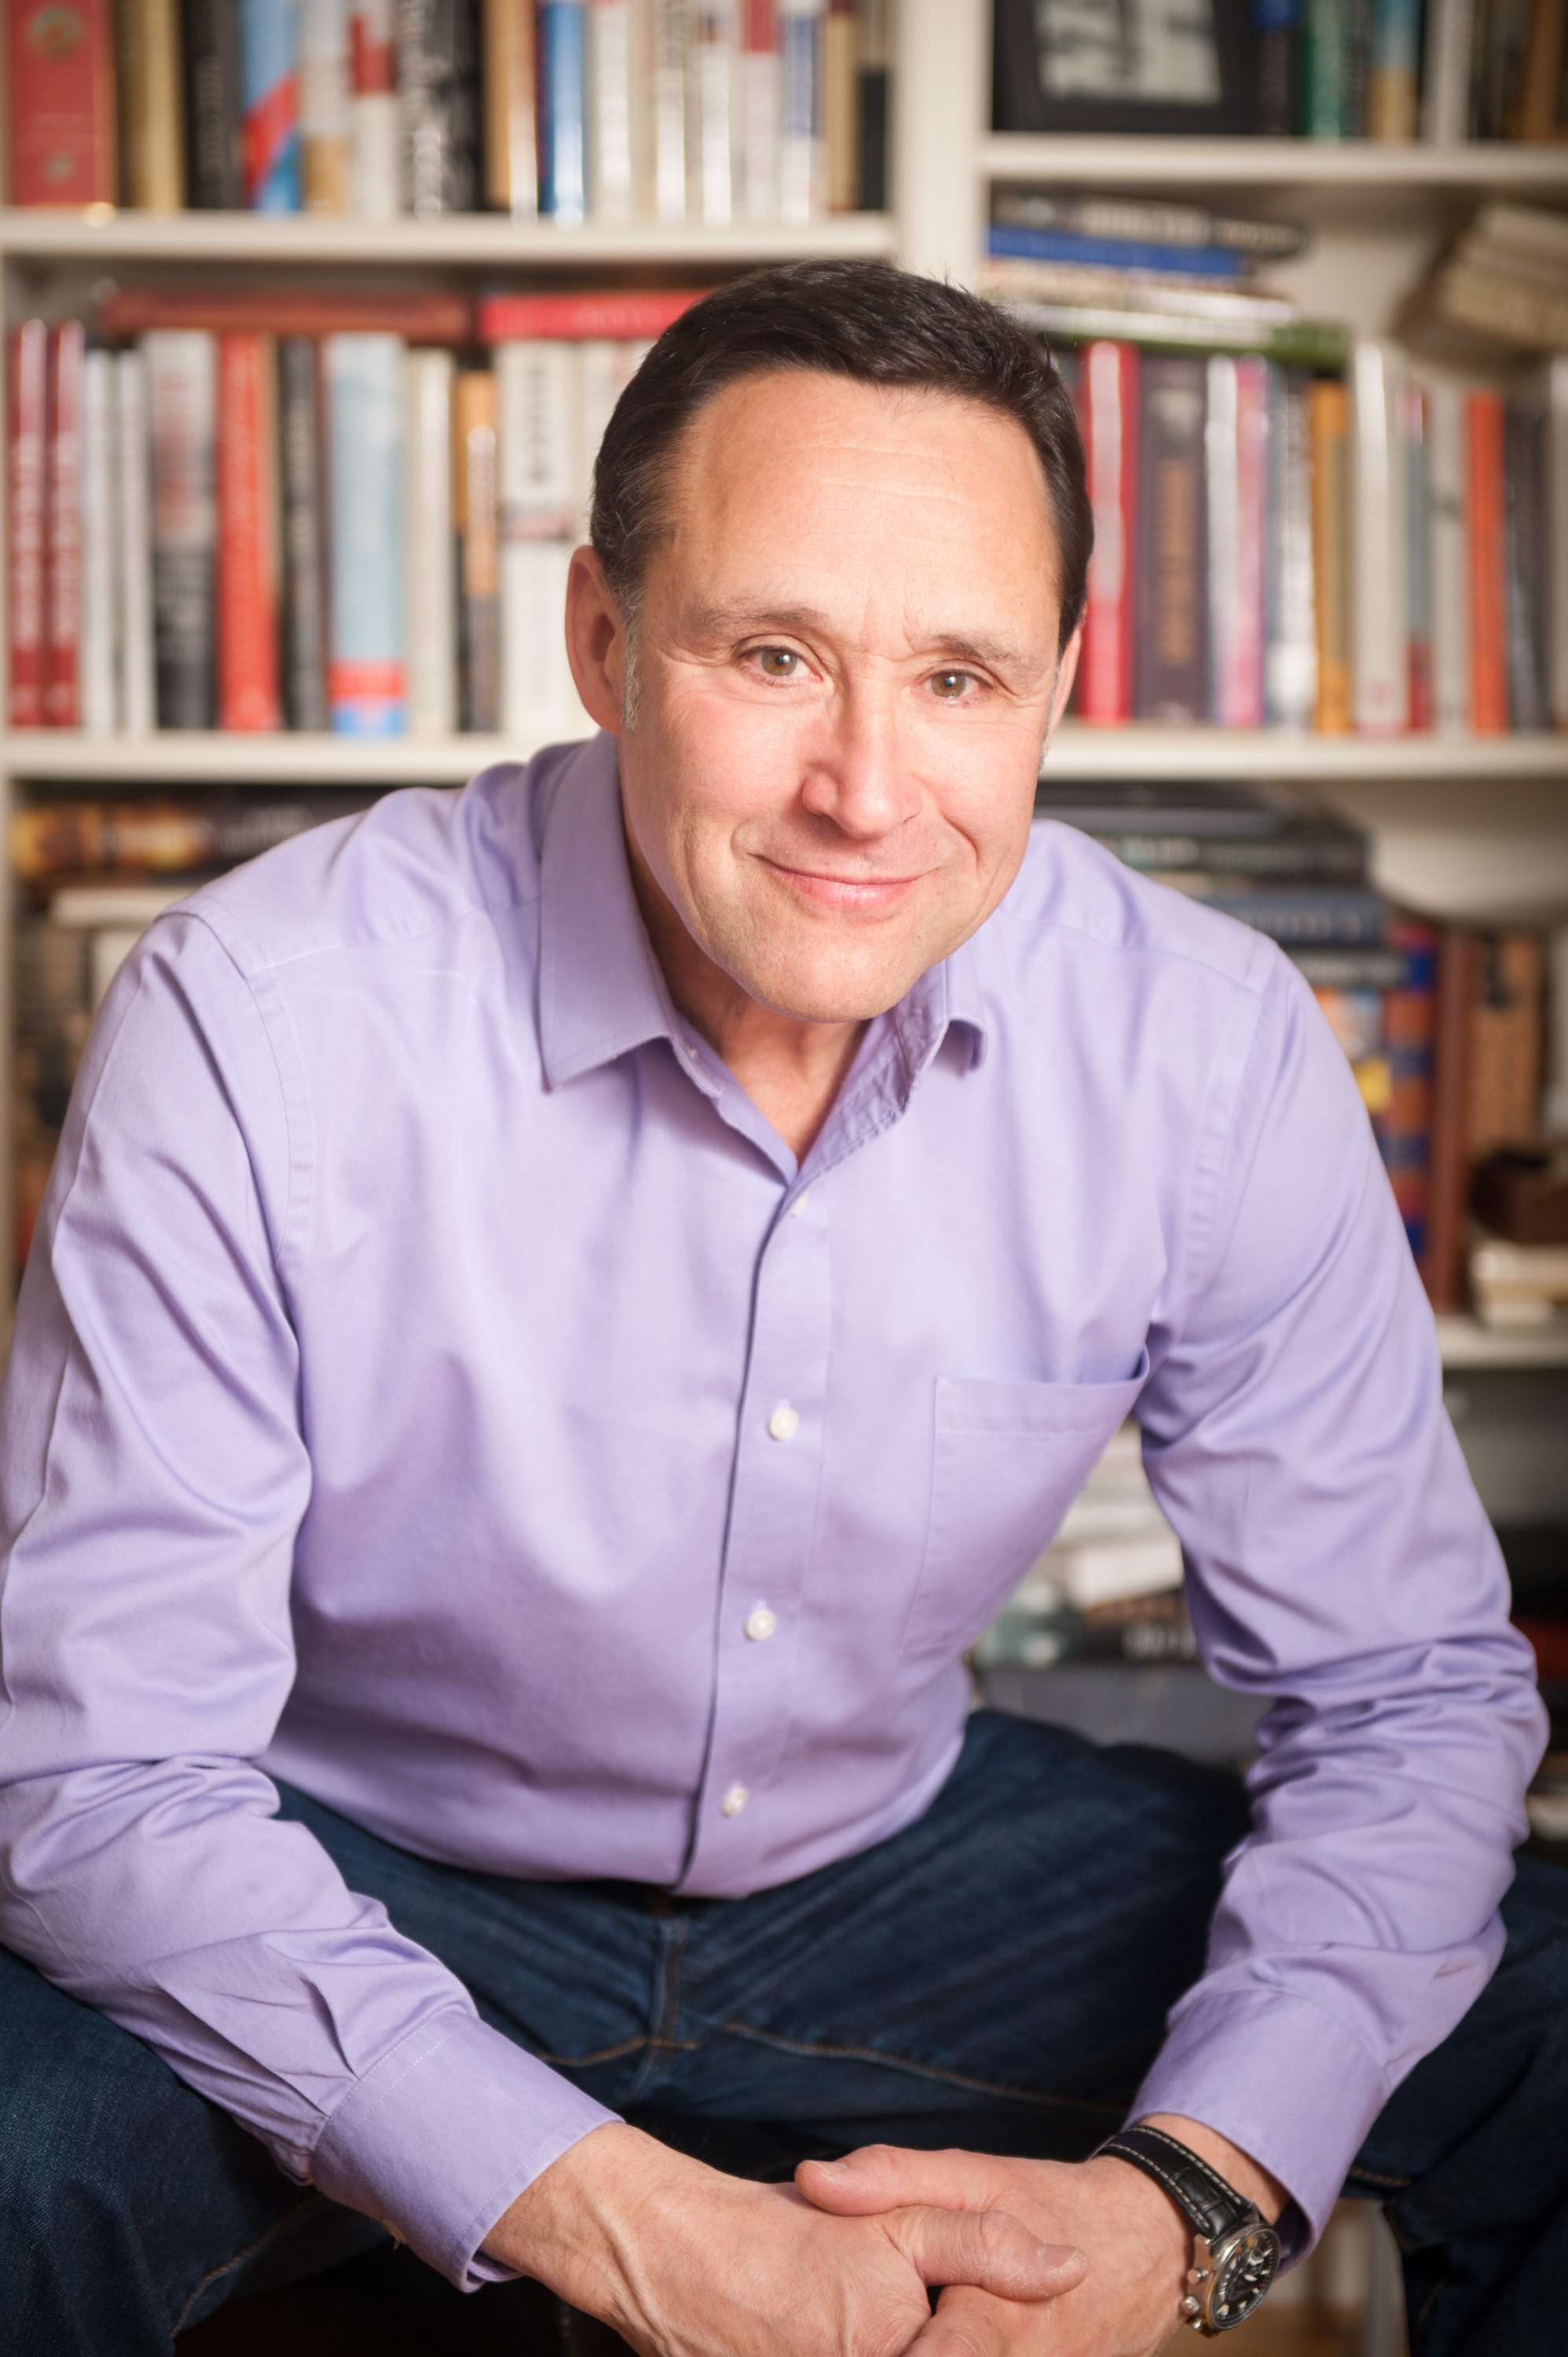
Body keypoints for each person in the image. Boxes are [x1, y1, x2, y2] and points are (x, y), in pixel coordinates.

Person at [0, 262, 1560, 2357]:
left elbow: (1401, 1698)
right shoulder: (265, 1018)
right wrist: (627, 2219)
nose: (865, 787)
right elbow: (89, 1773)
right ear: (600, 643)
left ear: (1054, 688)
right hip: (351, 1845)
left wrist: (1189, 2201)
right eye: (771, 655)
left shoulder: (1200, 1046)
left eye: (956, 678)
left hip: (903, 1859)